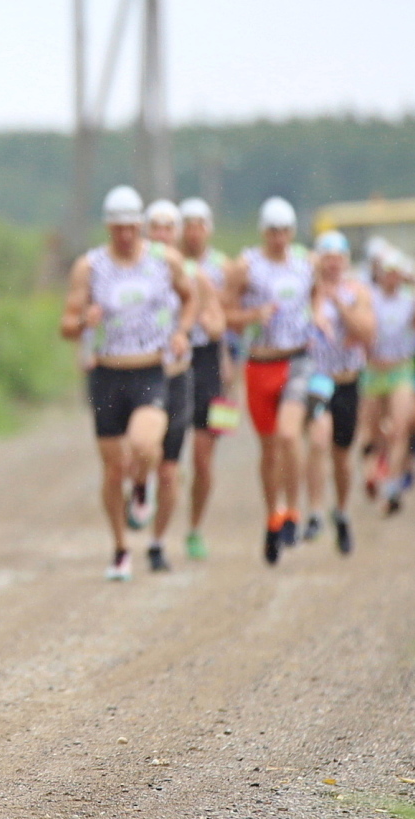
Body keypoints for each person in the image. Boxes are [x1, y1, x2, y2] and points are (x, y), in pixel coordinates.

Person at [61, 186, 195, 580]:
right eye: (117, 228)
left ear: (141, 225)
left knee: (144, 444)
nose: (124, 235)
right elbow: (66, 324)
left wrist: (182, 331)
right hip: (106, 374)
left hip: (151, 369)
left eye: (131, 228)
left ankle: (142, 487)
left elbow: (190, 299)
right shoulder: (90, 266)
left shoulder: (164, 260)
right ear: (108, 226)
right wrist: (85, 321)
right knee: (112, 469)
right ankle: (120, 548)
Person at [223, 196, 314, 566]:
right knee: (269, 449)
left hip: (296, 361)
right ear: (264, 232)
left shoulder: (307, 265)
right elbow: (226, 315)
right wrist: (252, 315)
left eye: (285, 231)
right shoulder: (247, 267)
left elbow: (322, 299)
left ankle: (293, 511)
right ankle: (273, 514)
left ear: (292, 232)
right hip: (259, 364)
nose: (279, 238)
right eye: (273, 231)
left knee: (290, 436)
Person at [136, 199, 225, 571]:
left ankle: (193, 529)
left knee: (203, 457)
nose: (162, 235)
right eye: (154, 227)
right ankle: (146, 494)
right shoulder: (135, 271)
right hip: (150, 368)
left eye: (168, 228)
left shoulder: (200, 273)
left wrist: (196, 317)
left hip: (203, 369)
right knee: (147, 451)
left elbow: (220, 328)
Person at [301, 230, 374, 554]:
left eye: (337, 259)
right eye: (326, 259)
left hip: (347, 379)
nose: (332, 265)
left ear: (345, 262)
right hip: (317, 377)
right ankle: (315, 511)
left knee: (342, 455)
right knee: (318, 439)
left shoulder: (355, 291)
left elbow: (367, 331)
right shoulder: (306, 291)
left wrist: (339, 306)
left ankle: (341, 511)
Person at [359, 247, 415, 514]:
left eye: (396, 274)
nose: (391, 278)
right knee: (372, 433)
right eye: (387, 274)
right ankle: (372, 472)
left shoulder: (411, 301)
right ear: (380, 276)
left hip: (401, 370)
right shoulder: (369, 299)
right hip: (373, 371)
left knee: (399, 429)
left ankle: (392, 484)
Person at [176, 197, 231, 561]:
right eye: (188, 224)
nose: (194, 231)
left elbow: (225, 322)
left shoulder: (225, 267)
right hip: (176, 360)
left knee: (205, 456)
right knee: (167, 447)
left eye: (200, 224)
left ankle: (195, 528)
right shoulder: (168, 263)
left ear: (209, 228)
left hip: (216, 364)